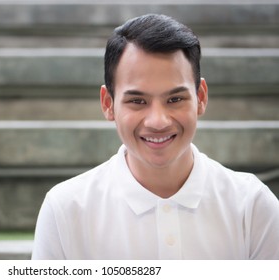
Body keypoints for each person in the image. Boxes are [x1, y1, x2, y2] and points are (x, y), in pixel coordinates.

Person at [31, 14, 279, 259]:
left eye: (175, 99)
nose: (158, 121)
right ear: (108, 104)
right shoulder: (64, 209)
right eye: (137, 101)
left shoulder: (252, 205)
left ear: (201, 98)